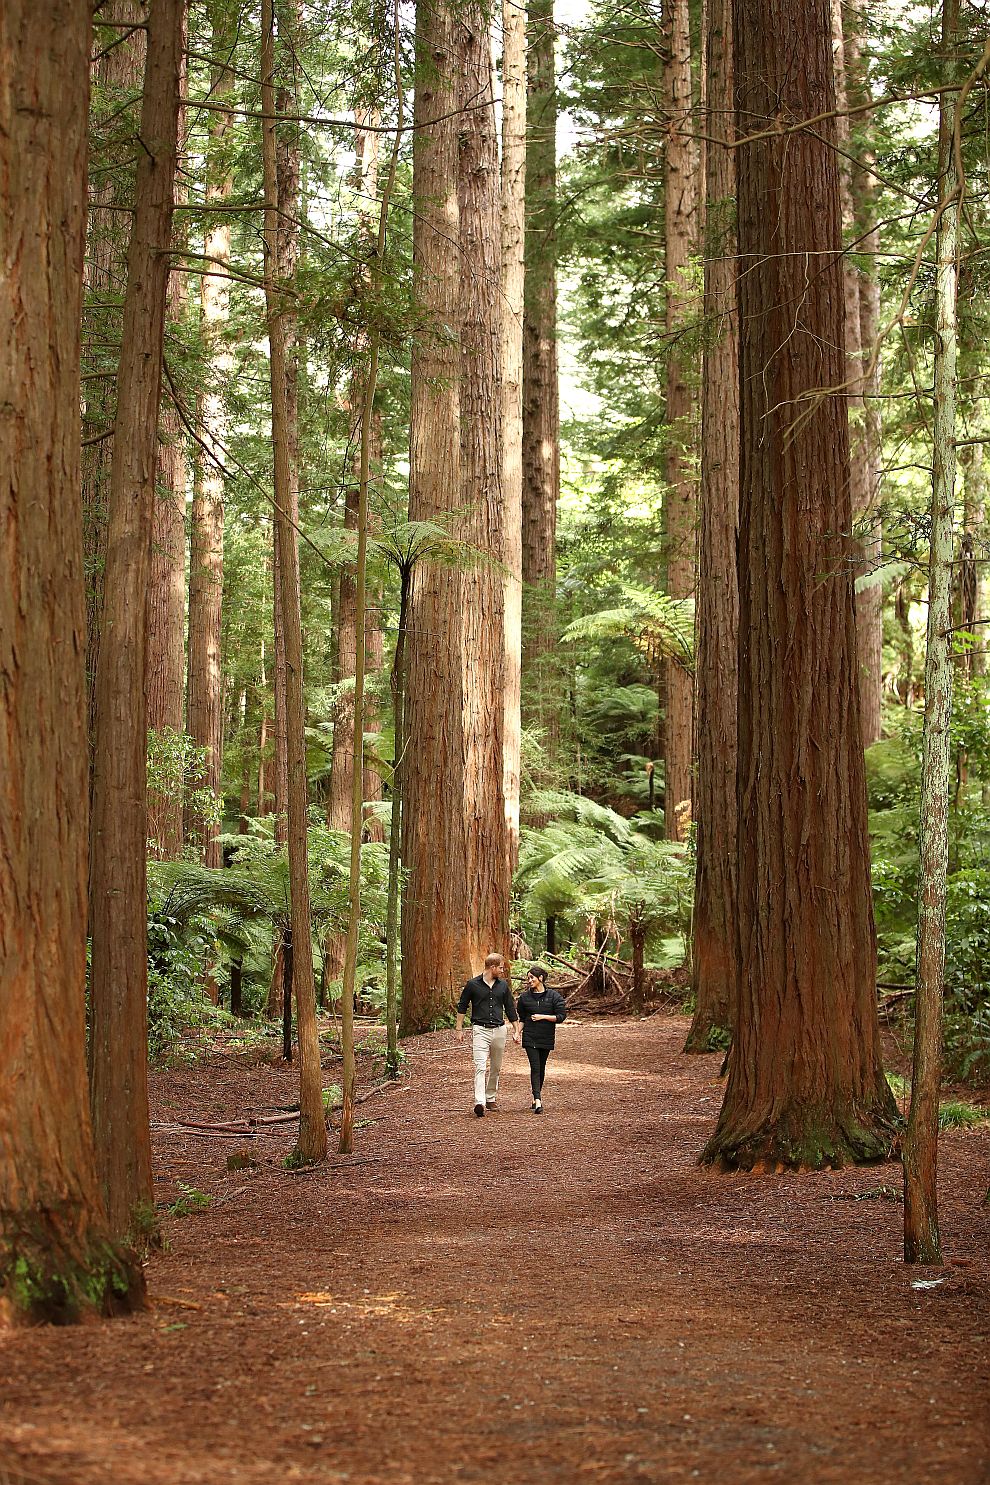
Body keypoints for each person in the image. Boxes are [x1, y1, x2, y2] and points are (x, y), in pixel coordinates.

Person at [456, 953, 520, 1117]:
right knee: (480, 1066)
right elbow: (462, 1006)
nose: (502, 970)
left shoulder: (503, 986)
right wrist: (459, 1029)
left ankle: (490, 1097)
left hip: (499, 1030)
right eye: (500, 967)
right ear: (492, 967)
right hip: (480, 1030)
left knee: (496, 1067)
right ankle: (480, 1102)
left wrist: (516, 1030)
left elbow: (510, 1008)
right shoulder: (472, 985)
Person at [516, 965, 567, 1114]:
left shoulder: (554, 997)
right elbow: (523, 1018)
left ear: (541, 978)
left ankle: (535, 1097)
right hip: (530, 1037)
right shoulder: (524, 998)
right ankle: (538, 1100)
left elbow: (561, 1017)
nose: (529, 980)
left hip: (546, 1036)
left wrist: (543, 1016)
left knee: (542, 1067)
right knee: (535, 1067)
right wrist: (517, 1032)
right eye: (528, 978)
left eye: (532, 977)